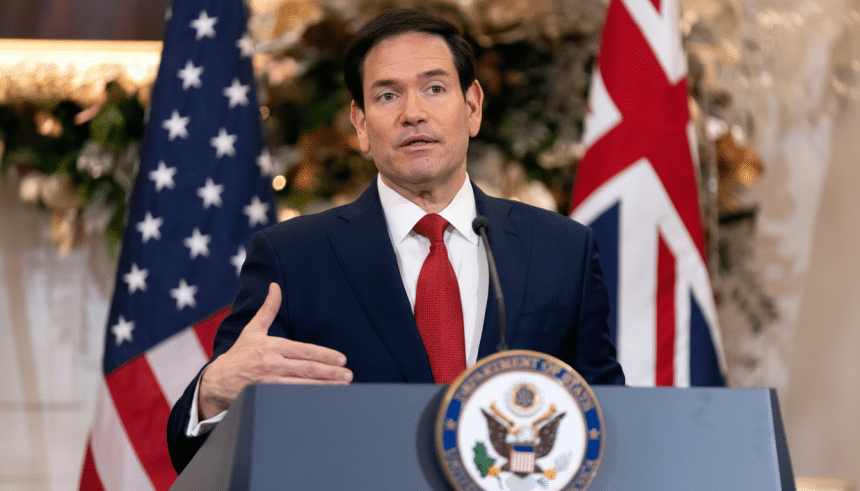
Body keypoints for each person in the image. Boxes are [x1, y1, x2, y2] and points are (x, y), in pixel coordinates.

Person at [167, 8, 624, 473]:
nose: (413, 113)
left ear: (472, 108)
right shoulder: (292, 258)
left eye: (435, 88)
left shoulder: (562, 250)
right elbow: (199, 458)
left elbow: (609, 421)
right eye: (387, 95)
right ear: (361, 125)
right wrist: (213, 391)